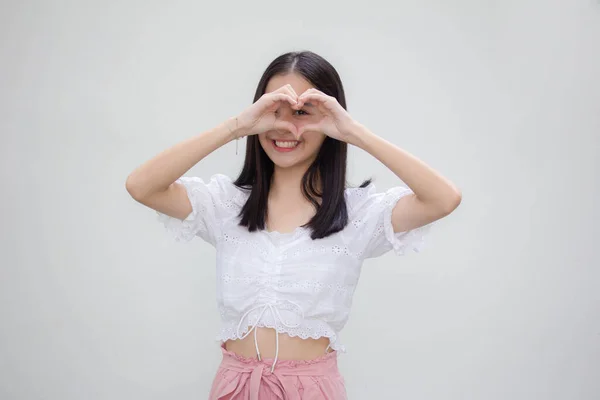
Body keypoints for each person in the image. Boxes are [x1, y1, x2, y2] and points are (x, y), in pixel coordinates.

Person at [126, 50, 461, 400]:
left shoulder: (359, 213)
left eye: (302, 113)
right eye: (274, 111)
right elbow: (141, 186)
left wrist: (353, 132)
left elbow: (443, 199)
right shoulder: (226, 204)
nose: (285, 127)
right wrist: (237, 127)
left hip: (312, 390)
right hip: (234, 387)